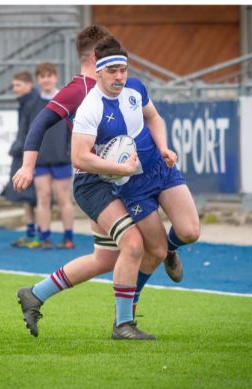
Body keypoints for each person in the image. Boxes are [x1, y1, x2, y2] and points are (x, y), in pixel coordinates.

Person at [15, 25, 163, 340]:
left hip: (116, 179)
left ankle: (35, 293)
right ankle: (123, 325)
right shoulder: (80, 89)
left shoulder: (121, 87)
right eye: (109, 53)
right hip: (94, 182)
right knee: (133, 244)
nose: (118, 68)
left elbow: (147, 121)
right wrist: (27, 166)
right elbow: (40, 123)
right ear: (97, 57)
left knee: (104, 258)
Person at [70, 35, 200, 330]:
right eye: (112, 70)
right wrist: (121, 168)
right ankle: (127, 313)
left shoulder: (136, 88)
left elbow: (154, 118)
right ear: (98, 71)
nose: (119, 76)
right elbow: (79, 158)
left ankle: (171, 250)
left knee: (190, 231)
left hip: (160, 168)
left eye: (123, 69)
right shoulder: (90, 108)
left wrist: (164, 147)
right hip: (132, 186)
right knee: (153, 251)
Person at [22, 62, 75, 249]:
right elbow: (26, 132)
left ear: (55, 77)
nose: (46, 80)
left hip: (62, 158)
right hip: (41, 160)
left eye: (49, 76)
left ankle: (68, 238)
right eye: (42, 76)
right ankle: (45, 237)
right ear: (38, 80)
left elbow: (75, 128)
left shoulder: (66, 100)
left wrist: (71, 151)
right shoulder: (32, 105)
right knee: (42, 198)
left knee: (63, 198)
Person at [1, 71, 39, 248]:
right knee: (26, 196)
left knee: (35, 197)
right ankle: (31, 233)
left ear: (29, 85)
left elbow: (32, 131)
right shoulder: (25, 102)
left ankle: (39, 235)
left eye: (18, 85)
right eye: (14, 85)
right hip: (24, 151)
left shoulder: (33, 102)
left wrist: (18, 147)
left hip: (30, 153)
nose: (15, 89)